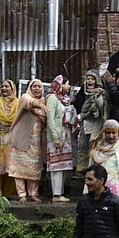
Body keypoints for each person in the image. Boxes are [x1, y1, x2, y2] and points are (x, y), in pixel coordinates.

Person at [6, 80, 49, 203]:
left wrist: (39, 109)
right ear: (30, 88)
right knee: (19, 167)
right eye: (34, 86)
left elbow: (45, 118)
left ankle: (33, 193)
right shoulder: (25, 97)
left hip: (36, 142)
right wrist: (38, 106)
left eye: (39, 87)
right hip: (21, 138)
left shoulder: (44, 101)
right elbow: (28, 103)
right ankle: (21, 194)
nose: (37, 89)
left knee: (34, 167)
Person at [71, 163, 119, 238]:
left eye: (90, 179)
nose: (86, 182)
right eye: (85, 179)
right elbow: (78, 230)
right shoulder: (83, 202)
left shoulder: (117, 203)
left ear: (101, 180)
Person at [45, 75, 76, 203]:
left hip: (65, 134)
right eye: (67, 83)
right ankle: (56, 194)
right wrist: (55, 137)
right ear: (60, 85)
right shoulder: (52, 98)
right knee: (56, 164)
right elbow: (50, 119)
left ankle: (60, 192)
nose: (69, 86)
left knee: (63, 164)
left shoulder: (65, 99)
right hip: (57, 135)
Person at [72, 69, 108, 173]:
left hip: (97, 123)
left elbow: (103, 108)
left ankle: (94, 168)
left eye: (92, 79)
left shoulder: (102, 93)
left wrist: (98, 98)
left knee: (95, 145)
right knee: (84, 146)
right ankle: (83, 169)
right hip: (86, 123)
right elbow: (78, 106)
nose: (90, 81)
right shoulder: (82, 93)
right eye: (88, 79)